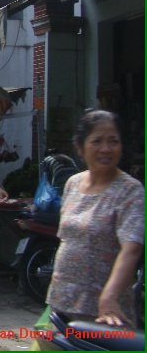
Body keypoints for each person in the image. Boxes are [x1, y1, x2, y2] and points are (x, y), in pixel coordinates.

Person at [46, 110, 144, 327]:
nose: (106, 149)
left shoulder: (131, 190)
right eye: (97, 141)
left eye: (113, 141)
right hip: (61, 303)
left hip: (105, 312)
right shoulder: (72, 183)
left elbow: (132, 248)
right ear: (80, 148)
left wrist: (109, 296)